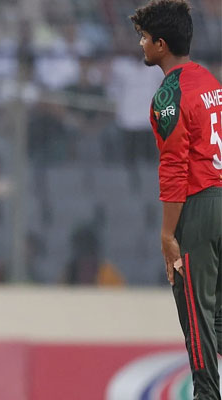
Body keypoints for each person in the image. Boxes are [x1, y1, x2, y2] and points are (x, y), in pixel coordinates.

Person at [130, 1, 222, 397]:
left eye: (144, 37)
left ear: (161, 45)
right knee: (218, 315)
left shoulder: (170, 94)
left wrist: (168, 235)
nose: (141, 44)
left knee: (196, 315)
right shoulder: (209, 80)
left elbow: (174, 169)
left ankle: (206, 395)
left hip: (199, 206)